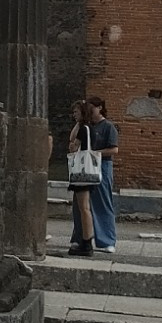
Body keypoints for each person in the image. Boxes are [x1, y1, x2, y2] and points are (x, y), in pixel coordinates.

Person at [67, 98, 120, 256]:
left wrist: (95, 154)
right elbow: (73, 140)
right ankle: (81, 236)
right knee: (81, 206)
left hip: (102, 164)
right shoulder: (87, 126)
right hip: (88, 165)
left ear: (100, 108)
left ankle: (107, 240)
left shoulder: (108, 127)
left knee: (102, 202)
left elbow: (114, 149)